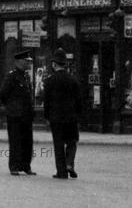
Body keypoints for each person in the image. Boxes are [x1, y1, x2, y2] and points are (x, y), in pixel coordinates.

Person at [44, 48, 82, 179]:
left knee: (58, 144)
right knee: (72, 141)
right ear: (65, 65)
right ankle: (69, 163)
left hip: (56, 118)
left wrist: (47, 116)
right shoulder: (73, 80)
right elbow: (79, 100)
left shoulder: (49, 81)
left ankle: (61, 171)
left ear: (54, 64)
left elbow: (46, 101)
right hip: (71, 117)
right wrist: (79, 115)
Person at [0, 50, 36, 176]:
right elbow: (3, 94)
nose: (29, 63)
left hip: (26, 114)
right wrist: (11, 106)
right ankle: (14, 166)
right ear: (20, 62)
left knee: (27, 141)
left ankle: (26, 166)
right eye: (27, 61)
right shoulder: (11, 76)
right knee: (15, 141)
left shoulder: (26, 76)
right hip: (15, 115)